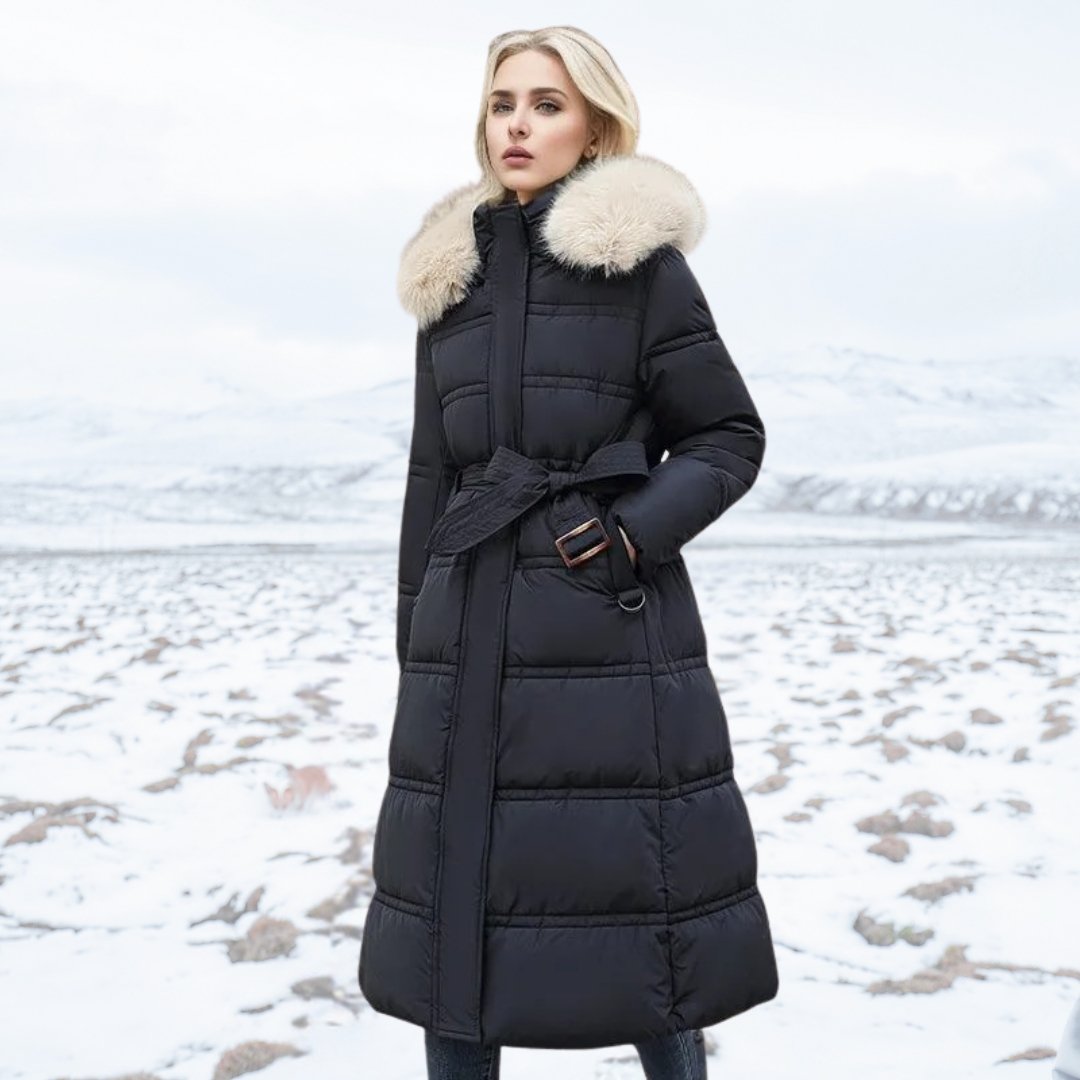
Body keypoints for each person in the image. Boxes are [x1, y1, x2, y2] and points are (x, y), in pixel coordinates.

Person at [358, 25, 779, 1080]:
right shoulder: (448, 286)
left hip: (609, 630)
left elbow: (728, 436)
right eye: (503, 103)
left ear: (593, 128)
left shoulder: (641, 269)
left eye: (546, 105)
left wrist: (631, 533)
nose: (517, 124)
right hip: (468, 639)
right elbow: (431, 481)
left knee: (637, 913)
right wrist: (417, 643)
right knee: (458, 926)